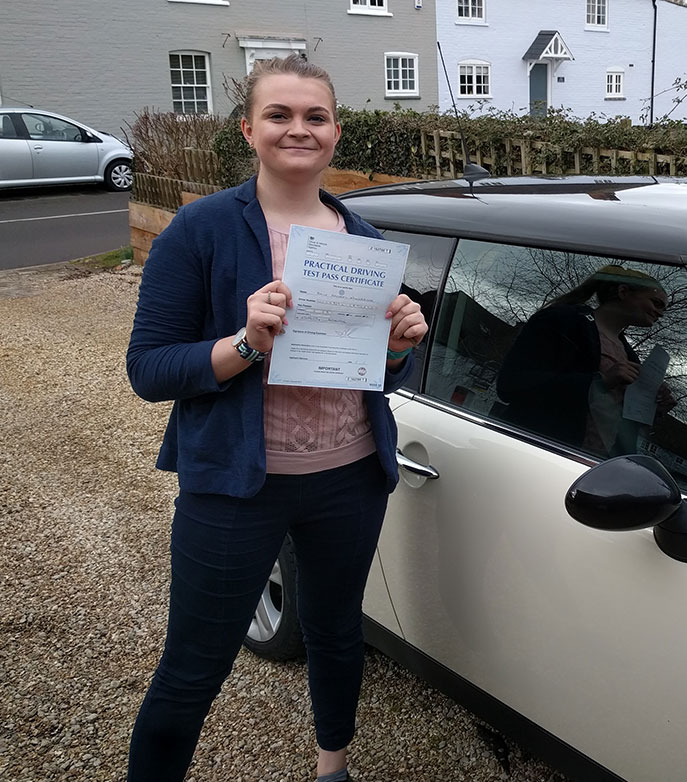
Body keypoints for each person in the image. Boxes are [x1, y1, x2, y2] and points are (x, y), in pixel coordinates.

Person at [125, 55, 426, 782]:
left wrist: (394, 349)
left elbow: (374, 378)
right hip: (235, 487)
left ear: (336, 132)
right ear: (248, 130)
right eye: (279, 115)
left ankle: (332, 769)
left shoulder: (363, 241)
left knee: (336, 633)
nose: (299, 129)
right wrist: (243, 343)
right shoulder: (200, 229)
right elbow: (149, 369)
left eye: (315, 116)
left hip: (349, 478)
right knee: (194, 662)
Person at [495, 265, 671, 456]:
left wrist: (653, 405)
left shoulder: (630, 356)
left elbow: (615, 416)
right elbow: (511, 384)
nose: (660, 313)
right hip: (536, 452)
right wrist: (599, 382)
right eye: (656, 303)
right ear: (623, 292)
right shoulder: (562, 321)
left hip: (593, 465)